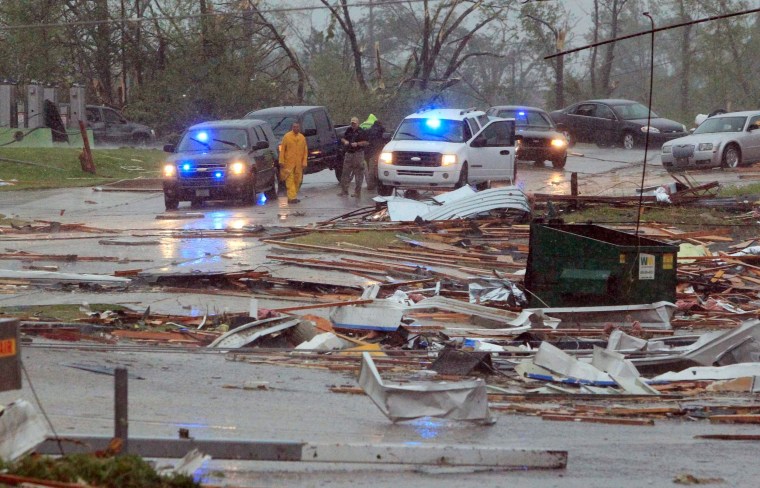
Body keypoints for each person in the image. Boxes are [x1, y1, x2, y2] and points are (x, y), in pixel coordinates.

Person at [338, 117, 368, 197]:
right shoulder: (348, 130)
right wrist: (345, 141)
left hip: (358, 154)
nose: (353, 125)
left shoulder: (362, 131)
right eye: (352, 123)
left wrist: (358, 144)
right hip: (349, 153)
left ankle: (357, 192)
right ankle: (344, 191)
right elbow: (342, 138)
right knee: (345, 172)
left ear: (358, 123)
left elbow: (366, 142)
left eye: (354, 123)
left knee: (358, 173)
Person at [279, 122, 308, 204]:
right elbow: (283, 150)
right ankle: (292, 198)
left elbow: (305, 151)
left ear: (299, 128)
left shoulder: (302, 138)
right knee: (290, 180)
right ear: (292, 127)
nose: (296, 128)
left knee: (297, 180)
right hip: (288, 163)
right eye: (294, 127)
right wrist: (281, 161)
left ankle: (292, 195)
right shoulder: (287, 137)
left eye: (297, 127)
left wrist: (304, 162)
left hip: (299, 164)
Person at [361, 115, 385, 191]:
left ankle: (370, 184)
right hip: (378, 152)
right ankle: (376, 184)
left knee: (369, 169)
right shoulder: (381, 130)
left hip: (368, 152)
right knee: (377, 169)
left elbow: (363, 138)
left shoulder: (367, 129)